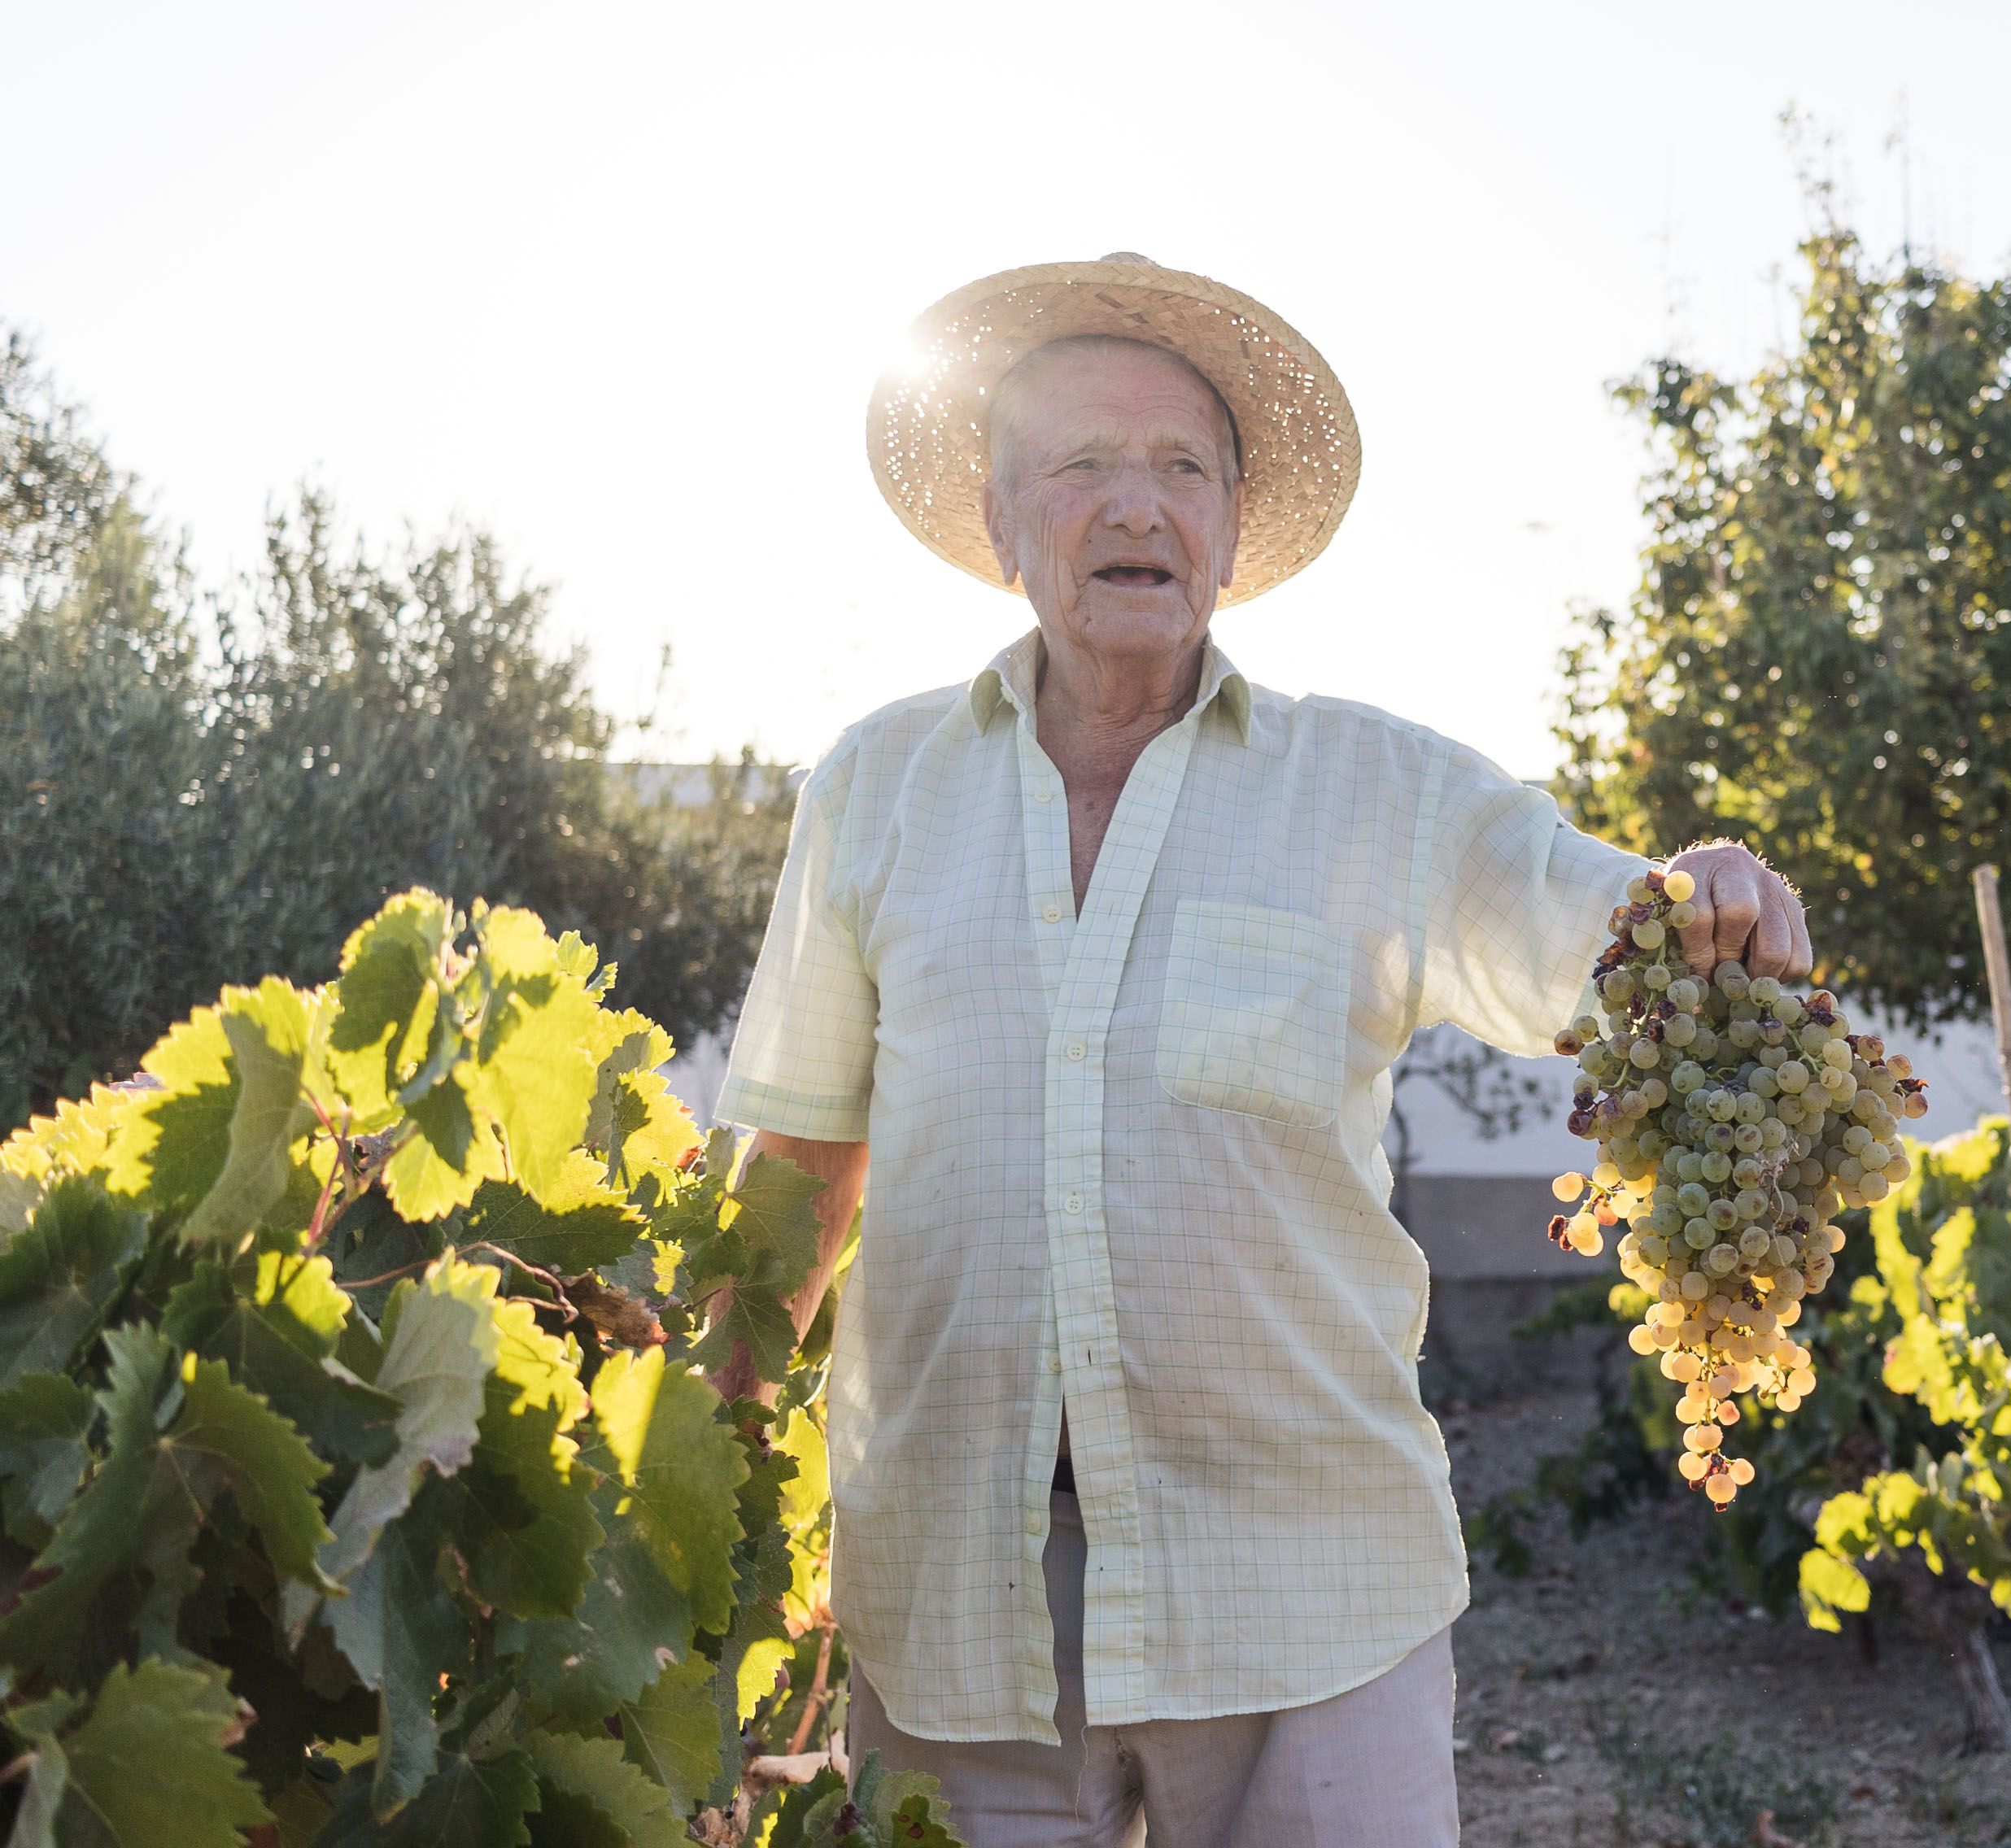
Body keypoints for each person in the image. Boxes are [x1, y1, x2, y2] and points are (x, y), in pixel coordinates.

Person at [713, 254, 1813, 1848]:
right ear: (1006, 516)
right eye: (1081, 465)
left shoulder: (1382, 793)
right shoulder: (872, 791)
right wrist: (707, 1485)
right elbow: (797, 1165)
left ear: (1232, 522)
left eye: (1180, 467)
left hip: (1314, 1599)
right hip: (952, 1612)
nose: (1135, 508)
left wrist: (1697, 893)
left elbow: (1592, 923)